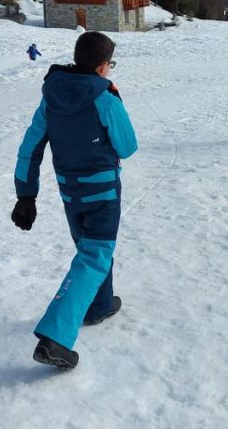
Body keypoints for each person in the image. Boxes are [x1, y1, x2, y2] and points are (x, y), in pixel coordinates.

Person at [12, 30, 138, 370]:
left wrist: (26, 195)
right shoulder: (105, 98)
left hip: (70, 192)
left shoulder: (50, 97)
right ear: (101, 66)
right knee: (95, 256)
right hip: (103, 193)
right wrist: (116, 102)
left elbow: (30, 148)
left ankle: (99, 306)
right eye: (110, 64)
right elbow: (127, 146)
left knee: (91, 250)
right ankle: (56, 336)